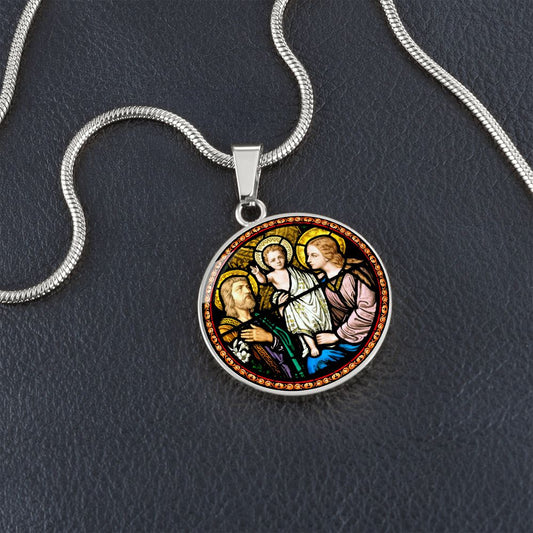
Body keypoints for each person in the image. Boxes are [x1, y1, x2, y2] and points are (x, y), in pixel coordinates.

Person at [304, 235, 377, 375]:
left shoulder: (356, 273)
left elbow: (368, 309)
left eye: (313, 255)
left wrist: (337, 335)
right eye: (308, 256)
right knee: (314, 361)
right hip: (338, 341)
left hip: (361, 336)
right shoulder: (321, 282)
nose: (308, 260)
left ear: (327, 255)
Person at [250, 238, 332, 358]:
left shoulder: (293, 270)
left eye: (280, 257)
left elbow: (307, 279)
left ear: (285, 256)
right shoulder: (272, 275)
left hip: (306, 298)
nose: (278, 261)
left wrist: (319, 276)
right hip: (293, 303)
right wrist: (257, 273)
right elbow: (263, 280)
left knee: (314, 317)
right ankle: (312, 346)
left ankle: (323, 338)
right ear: (267, 263)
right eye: (273, 260)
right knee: (300, 322)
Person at [217, 275, 305, 380]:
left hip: (291, 375)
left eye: (248, 287)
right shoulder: (226, 330)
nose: (248, 291)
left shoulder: (265, 319)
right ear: (229, 298)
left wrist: (270, 338)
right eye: (240, 288)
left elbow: (296, 345)